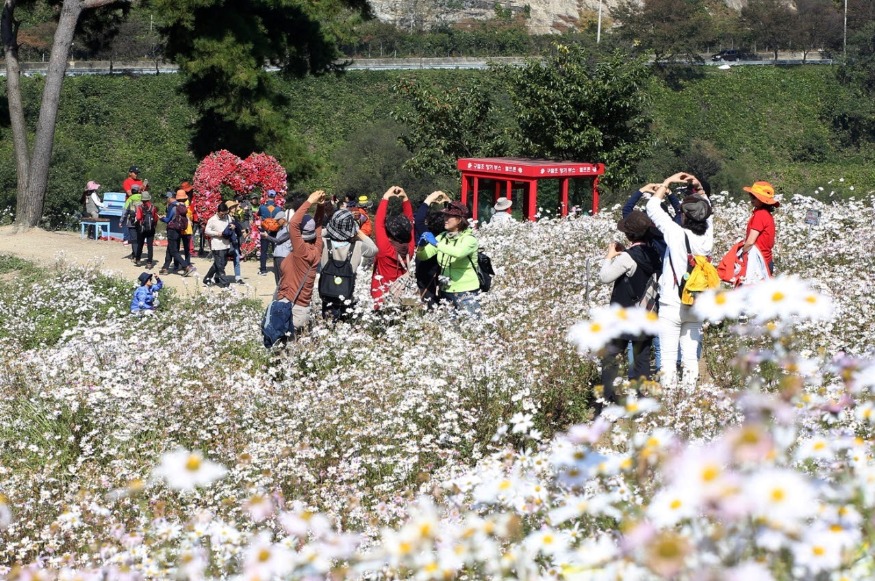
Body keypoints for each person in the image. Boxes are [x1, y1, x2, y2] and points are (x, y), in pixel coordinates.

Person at [645, 172, 714, 392]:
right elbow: (708, 212)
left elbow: (653, 208)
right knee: (691, 355)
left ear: (684, 215)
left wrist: (666, 183)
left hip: (671, 303)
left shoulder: (675, 233)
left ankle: (669, 399)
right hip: (695, 302)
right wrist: (698, 186)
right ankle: (689, 394)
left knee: (667, 356)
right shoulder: (707, 237)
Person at [596, 210, 662, 411]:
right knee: (642, 359)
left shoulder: (626, 257)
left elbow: (605, 277)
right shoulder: (654, 253)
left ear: (629, 235)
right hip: (646, 313)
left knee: (610, 357)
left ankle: (606, 399)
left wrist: (609, 257)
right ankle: (643, 400)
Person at [276, 190, 327, 336]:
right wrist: (320, 206)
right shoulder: (317, 249)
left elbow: (293, 224)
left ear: (301, 234)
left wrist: (310, 200)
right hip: (302, 310)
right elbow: (318, 227)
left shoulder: (300, 251)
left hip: (289, 308)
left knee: (281, 351)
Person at [416, 201, 480, 316]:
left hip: (466, 291)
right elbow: (424, 256)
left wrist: (436, 244)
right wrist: (421, 247)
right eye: (445, 215)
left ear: (460, 220)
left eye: (449, 216)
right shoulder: (443, 236)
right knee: (452, 329)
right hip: (446, 291)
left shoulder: (469, 239)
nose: (445, 218)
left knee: (470, 327)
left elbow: (458, 253)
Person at [319, 208, 378, 321]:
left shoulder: (323, 243)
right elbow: (374, 250)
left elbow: (308, 235)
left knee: (328, 324)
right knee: (346, 322)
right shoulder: (358, 246)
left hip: (327, 293)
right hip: (348, 293)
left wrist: (328, 230)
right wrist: (358, 232)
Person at [371, 186, 414, 309]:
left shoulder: (385, 250)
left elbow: (379, 223)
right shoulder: (409, 249)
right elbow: (410, 222)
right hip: (401, 296)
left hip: (381, 297)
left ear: (389, 233)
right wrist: (405, 199)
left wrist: (385, 198)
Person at [413, 191, 450, 308]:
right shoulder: (449, 235)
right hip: (444, 270)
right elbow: (461, 217)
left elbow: (419, 220)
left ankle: (431, 311)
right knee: (445, 297)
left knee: (428, 296)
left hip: (424, 269)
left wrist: (428, 199)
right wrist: (448, 201)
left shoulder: (427, 234)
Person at [741, 181, 779, 275]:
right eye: (751, 196)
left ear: (762, 200)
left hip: (758, 262)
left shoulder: (760, 215)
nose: (751, 199)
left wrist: (741, 254)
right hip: (766, 260)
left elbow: (750, 242)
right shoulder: (767, 215)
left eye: (754, 197)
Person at [203, 202, 233, 287]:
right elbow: (207, 231)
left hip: (226, 244)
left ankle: (207, 278)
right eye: (222, 214)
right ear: (218, 211)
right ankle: (225, 282)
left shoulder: (228, 217)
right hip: (217, 245)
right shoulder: (212, 220)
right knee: (219, 265)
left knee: (221, 263)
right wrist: (217, 233)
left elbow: (231, 224)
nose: (223, 216)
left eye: (225, 214)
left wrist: (232, 227)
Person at [257, 190, 285, 276]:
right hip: (275, 231)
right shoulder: (278, 208)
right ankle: (277, 268)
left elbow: (259, 215)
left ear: (267, 196)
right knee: (275, 250)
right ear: (275, 197)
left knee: (264, 251)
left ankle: (263, 270)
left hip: (265, 230)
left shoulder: (262, 207)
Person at [133, 192, 159, 268]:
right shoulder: (153, 207)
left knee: (140, 244)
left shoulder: (140, 207)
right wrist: (154, 225)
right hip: (151, 228)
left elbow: (138, 218)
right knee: (150, 245)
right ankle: (149, 262)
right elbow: (155, 218)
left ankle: (138, 260)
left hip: (142, 228)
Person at [225, 199, 245, 284]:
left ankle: (238, 277)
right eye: (232, 207)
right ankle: (217, 275)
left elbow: (238, 227)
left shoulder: (234, 217)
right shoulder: (226, 218)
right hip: (227, 241)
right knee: (223, 261)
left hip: (234, 241)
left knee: (236, 259)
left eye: (234, 207)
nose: (234, 208)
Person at [121, 185, 143, 258]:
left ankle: (136, 255)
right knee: (139, 238)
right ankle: (136, 253)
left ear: (132, 191)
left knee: (134, 239)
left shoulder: (130, 199)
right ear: (138, 191)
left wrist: (121, 221)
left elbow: (125, 211)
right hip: (141, 222)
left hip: (132, 221)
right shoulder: (143, 198)